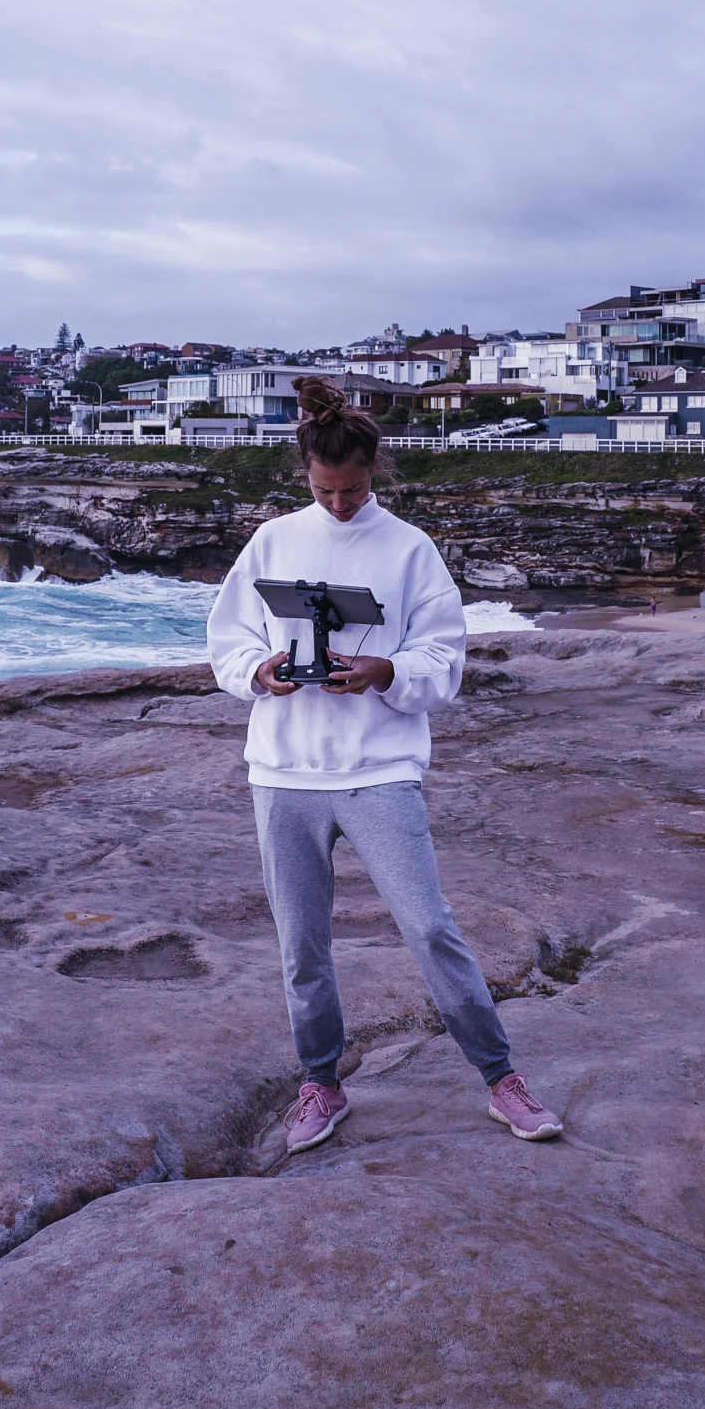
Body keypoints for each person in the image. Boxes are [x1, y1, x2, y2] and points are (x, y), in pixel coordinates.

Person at [207, 377, 563, 1154]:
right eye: (326, 490)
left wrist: (385, 673)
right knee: (301, 945)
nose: (339, 504)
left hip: (378, 769)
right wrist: (258, 672)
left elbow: (443, 655)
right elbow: (226, 637)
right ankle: (321, 1083)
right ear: (306, 474)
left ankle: (500, 1076)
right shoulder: (272, 540)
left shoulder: (408, 548)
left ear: (375, 474)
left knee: (429, 926)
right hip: (284, 772)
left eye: (354, 490)